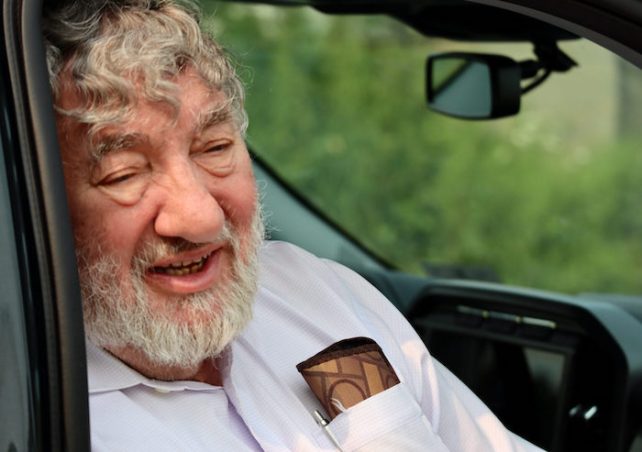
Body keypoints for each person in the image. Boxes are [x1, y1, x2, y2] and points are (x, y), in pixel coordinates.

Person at [43, 1, 543, 450]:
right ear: (42, 202)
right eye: (124, 174)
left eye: (215, 148)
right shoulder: (39, 413)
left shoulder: (312, 289)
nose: (202, 217)